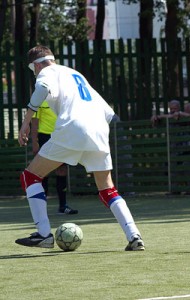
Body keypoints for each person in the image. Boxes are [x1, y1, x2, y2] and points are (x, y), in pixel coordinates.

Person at [16, 45, 145, 251]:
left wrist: (26, 122)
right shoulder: (75, 74)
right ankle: (134, 236)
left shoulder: (47, 72)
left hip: (72, 129)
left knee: (30, 177)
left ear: (37, 64)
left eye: (34, 70)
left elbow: (41, 89)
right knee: (107, 189)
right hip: (99, 131)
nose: (36, 74)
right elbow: (110, 114)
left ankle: (43, 234)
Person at [31, 100, 78, 215]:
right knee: (43, 172)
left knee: (62, 170)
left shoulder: (62, 99)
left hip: (61, 137)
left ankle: (63, 206)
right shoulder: (39, 100)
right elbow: (34, 123)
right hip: (44, 138)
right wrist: (34, 142)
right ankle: (42, 209)